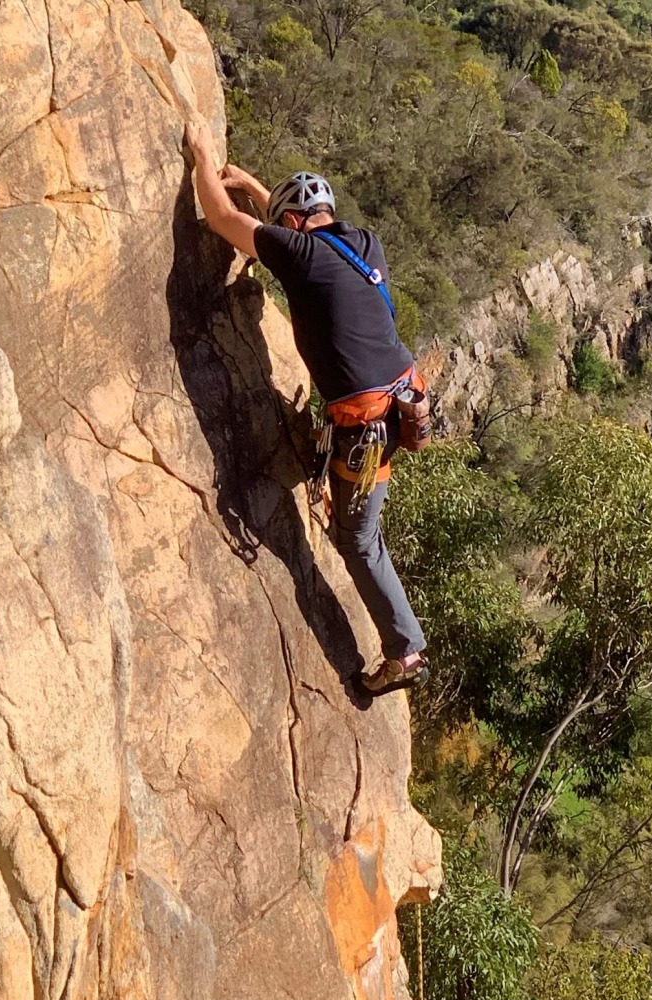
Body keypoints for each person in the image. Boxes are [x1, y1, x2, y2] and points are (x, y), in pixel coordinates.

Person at [183, 118, 429, 696]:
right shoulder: (364, 244)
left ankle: (405, 649)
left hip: (364, 427)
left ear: (290, 224)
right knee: (365, 528)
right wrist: (252, 182)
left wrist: (200, 157)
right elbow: (301, 231)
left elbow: (222, 218)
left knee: (358, 540)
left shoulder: (297, 253)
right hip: (403, 401)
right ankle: (403, 639)